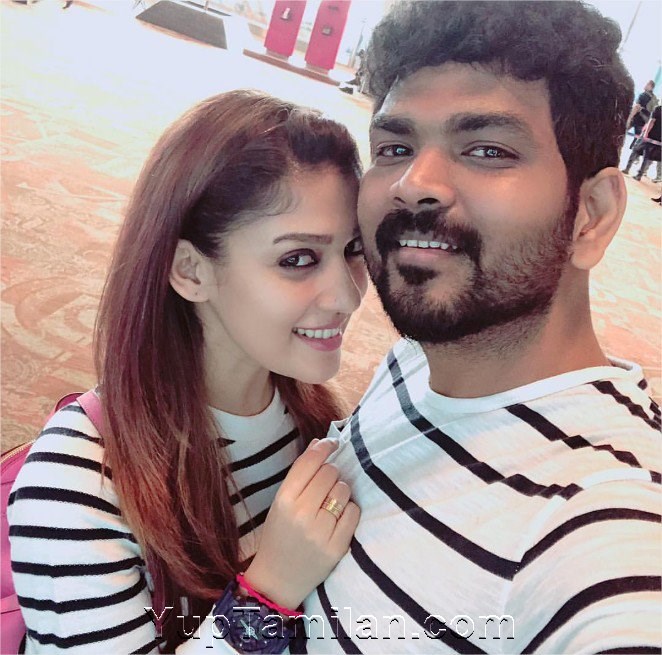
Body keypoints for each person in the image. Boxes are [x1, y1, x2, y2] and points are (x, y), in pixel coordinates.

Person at [300, 2, 661, 653]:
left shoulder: (604, 526)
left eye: (488, 150)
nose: (414, 184)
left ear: (592, 214)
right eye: (395, 148)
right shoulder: (418, 357)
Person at [7, 90, 368, 653]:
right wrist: (269, 592)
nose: (346, 296)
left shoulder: (317, 418)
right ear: (191, 271)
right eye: (298, 259)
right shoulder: (78, 480)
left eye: (354, 248)